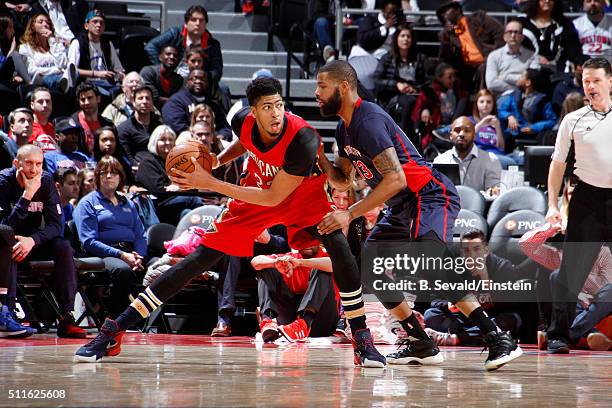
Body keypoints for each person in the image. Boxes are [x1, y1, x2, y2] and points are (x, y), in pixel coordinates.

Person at [74, 76, 387, 368]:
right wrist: (215, 161)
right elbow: (246, 142)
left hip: (299, 196)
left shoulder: (303, 138)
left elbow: (274, 198)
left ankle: (361, 337)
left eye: (279, 105)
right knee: (196, 261)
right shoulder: (244, 123)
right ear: (253, 111)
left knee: (339, 246)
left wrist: (208, 181)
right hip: (253, 197)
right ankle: (116, 328)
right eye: (267, 107)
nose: (276, 113)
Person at [315, 60, 522, 371]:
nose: (316, 93)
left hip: (428, 195)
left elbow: (396, 178)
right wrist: (317, 155)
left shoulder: (368, 121)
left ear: (343, 88)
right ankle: (421, 342)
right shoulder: (344, 129)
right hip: (402, 205)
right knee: (372, 268)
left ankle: (497, 337)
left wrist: (350, 213)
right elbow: (344, 180)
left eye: (322, 86)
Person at [545, 57, 612, 353]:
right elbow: (557, 165)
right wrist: (552, 205)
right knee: (572, 271)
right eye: (586, 81)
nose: (591, 86)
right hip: (588, 198)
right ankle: (558, 335)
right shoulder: (573, 121)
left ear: (610, 81)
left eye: (596, 80)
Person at [0, 144, 85, 338]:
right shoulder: (3, 181)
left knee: (63, 246)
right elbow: (3, 227)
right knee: (9, 246)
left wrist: (32, 240)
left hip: (33, 242)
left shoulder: (46, 180)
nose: (34, 169)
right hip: (7, 244)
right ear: (16, 163)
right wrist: (27, 196)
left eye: (38, 164)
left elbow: (56, 226)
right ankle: (8, 314)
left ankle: (66, 316)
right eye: (28, 163)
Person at [424, 229, 529, 346]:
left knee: (510, 319)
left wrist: (486, 280)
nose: (472, 255)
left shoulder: (502, 267)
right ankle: (475, 337)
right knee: (431, 315)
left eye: (477, 249)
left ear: (486, 250)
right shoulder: (452, 268)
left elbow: (512, 303)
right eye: (466, 250)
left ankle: (456, 338)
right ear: (461, 252)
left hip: (490, 318)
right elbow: (434, 300)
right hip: (462, 319)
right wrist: (448, 303)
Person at [73, 156, 148, 316]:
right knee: (123, 270)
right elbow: (89, 241)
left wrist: (139, 256)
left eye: (113, 173)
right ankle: (115, 319)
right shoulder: (87, 203)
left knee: (159, 268)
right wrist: (121, 255)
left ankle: (149, 320)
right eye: (104, 173)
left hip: (132, 253)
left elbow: (140, 235)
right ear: (97, 177)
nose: (109, 176)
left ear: (120, 177)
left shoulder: (128, 203)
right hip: (104, 254)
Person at [251, 230, 339, 342]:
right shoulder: (289, 257)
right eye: (303, 242)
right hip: (290, 320)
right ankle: (268, 321)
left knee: (321, 270)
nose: (307, 245)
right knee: (266, 269)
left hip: (322, 320)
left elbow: (334, 264)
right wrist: (275, 263)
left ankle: (303, 324)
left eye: (310, 241)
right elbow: (255, 261)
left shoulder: (327, 256)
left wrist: (300, 262)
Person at [134, 124, 203, 224]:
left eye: (170, 140)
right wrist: (181, 187)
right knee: (193, 199)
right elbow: (160, 191)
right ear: (155, 142)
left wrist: (178, 187)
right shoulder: (147, 162)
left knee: (187, 213)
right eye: (163, 140)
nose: (167, 143)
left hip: (177, 205)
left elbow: (193, 185)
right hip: (159, 206)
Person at [144, 5, 222, 85]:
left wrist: (203, 78)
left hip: (199, 81)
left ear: (205, 24)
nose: (197, 24)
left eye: (201, 20)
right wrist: (162, 69)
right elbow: (150, 47)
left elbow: (217, 71)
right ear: (185, 23)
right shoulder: (174, 34)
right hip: (174, 77)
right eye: (194, 20)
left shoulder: (213, 44)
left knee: (223, 88)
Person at [374, 22, 425, 142]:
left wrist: (415, 88)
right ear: (396, 38)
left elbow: (424, 81)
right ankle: (402, 138)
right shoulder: (387, 58)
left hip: (414, 95)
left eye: (408, 36)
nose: (406, 39)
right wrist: (396, 85)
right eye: (402, 36)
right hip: (392, 96)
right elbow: (377, 81)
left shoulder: (419, 58)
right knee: (408, 102)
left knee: (416, 102)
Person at [436, 1, 504, 90]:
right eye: (442, 13)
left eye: (446, 11)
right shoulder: (447, 35)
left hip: (486, 61)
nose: (444, 14)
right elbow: (445, 59)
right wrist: (447, 38)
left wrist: (496, 53)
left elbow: (499, 32)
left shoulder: (479, 19)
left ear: (457, 10)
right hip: (465, 68)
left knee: (484, 68)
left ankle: (481, 99)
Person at [433, 116, 502, 195]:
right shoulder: (440, 161)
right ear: (451, 136)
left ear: (474, 135)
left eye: (467, 131)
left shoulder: (490, 160)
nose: (461, 134)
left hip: (479, 206)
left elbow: (494, 191)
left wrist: (492, 191)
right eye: (457, 130)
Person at [67, 9, 125, 98]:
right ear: (86, 25)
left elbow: (118, 68)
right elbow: (73, 71)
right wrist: (97, 74)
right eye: (95, 22)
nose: (98, 25)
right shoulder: (78, 43)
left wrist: (119, 75)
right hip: (87, 84)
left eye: (102, 23)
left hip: (108, 83)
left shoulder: (107, 44)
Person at [411, 63, 469, 149]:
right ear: (439, 78)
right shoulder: (430, 92)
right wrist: (424, 109)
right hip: (436, 130)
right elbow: (417, 111)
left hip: (454, 126)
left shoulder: (458, 89)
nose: (453, 80)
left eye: (454, 76)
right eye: (449, 77)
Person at [162, 69, 231, 139]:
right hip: (187, 140)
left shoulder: (213, 103)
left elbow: (225, 127)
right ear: (187, 82)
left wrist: (222, 135)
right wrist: (199, 134)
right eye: (194, 78)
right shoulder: (176, 101)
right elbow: (176, 126)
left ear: (207, 83)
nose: (198, 81)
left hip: (212, 140)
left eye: (202, 79)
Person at [519, 0, 585, 72]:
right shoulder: (523, 23)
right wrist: (535, 58)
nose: (547, 1)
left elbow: (574, 51)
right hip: (526, 69)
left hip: (557, 72)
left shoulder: (564, 24)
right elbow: (514, 47)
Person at [18, 13, 75, 93]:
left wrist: (51, 40)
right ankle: (63, 85)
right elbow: (31, 70)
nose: (45, 24)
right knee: (51, 79)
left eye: (47, 22)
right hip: (41, 81)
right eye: (40, 22)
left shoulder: (57, 44)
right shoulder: (24, 48)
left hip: (61, 76)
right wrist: (56, 70)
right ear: (33, 27)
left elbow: (63, 64)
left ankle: (64, 85)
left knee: (76, 74)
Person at [485, 20, 540, 97]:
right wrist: (517, 88)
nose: (513, 35)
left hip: (524, 98)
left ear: (522, 37)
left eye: (516, 32)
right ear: (504, 37)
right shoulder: (494, 56)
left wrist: (504, 77)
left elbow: (532, 81)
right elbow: (491, 84)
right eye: (510, 32)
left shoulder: (532, 56)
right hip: (501, 98)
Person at [468, 89, 517, 168]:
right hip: (482, 155)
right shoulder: (470, 121)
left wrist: (497, 128)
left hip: (498, 154)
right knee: (510, 162)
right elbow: (467, 141)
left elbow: (501, 148)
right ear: (476, 104)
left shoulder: (496, 122)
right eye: (482, 102)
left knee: (521, 158)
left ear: (493, 104)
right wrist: (481, 124)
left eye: (489, 102)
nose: (485, 105)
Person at [117, 85, 162, 165]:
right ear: (133, 102)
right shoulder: (124, 129)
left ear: (152, 103)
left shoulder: (159, 126)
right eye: (140, 98)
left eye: (148, 98)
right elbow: (127, 156)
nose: (144, 102)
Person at [70, 82, 114, 156]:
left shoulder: (108, 124)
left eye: (90, 98)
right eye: (83, 99)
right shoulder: (72, 123)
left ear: (98, 99)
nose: (86, 102)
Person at [140, 44, 183, 108]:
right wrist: (176, 101)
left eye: (175, 55)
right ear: (160, 57)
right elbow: (153, 97)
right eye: (168, 54)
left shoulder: (178, 79)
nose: (172, 57)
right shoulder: (148, 72)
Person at [28, 86, 56, 151]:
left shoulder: (53, 128)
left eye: (48, 101)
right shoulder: (25, 127)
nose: (45, 105)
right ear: (32, 105)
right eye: (40, 101)